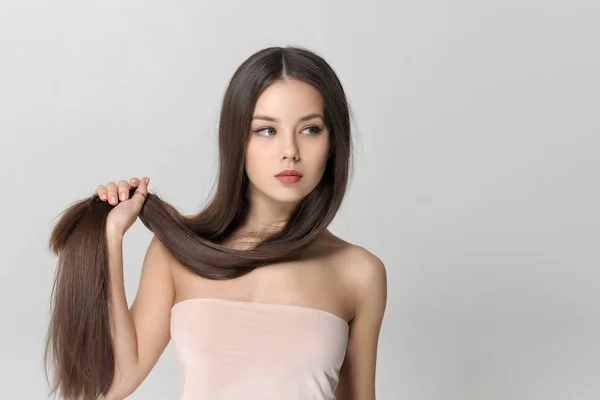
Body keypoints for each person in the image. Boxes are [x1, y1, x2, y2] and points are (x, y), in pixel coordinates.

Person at [45, 46, 387, 400]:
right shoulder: (177, 253)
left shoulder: (359, 273)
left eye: (310, 129)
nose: (290, 150)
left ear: (333, 143)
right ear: (237, 139)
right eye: (267, 130)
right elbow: (114, 384)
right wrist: (110, 236)